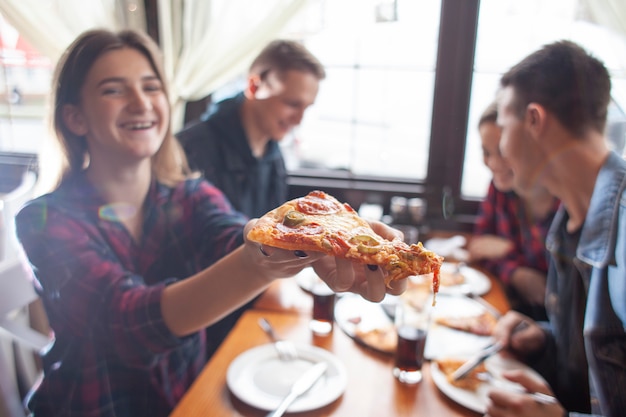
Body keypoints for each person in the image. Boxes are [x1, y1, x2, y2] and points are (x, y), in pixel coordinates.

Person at [14, 29, 404, 417]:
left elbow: (236, 234)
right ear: (75, 118)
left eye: (151, 87)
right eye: (114, 90)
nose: (141, 103)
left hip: (189, 397)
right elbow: (130, 323)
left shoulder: (188, 195)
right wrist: (259, 261)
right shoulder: (44, 221)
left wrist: (314, 237)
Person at [485, 40, 626, 417]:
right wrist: (543, 339)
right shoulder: (568, 226)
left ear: (534, 120)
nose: (501, 147)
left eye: (503, 127)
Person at [176, 39, 325, 219]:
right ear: (254, 86)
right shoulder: (189, 150)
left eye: (306, 107)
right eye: (292, 104)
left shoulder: (274, 154)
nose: (299, 120)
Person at [467, 102, 559, 321]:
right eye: (486, 152)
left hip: (555, 323)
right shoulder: (499, 189)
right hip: (516, 313)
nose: (493, 163)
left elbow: (552, 286)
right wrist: (517, 273)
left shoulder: (564, 203)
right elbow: (480, 248)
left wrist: (506, 250)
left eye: (502, 151)